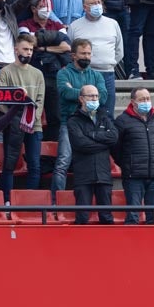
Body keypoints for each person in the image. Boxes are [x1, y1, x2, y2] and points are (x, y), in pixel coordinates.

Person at [0, 34, 45, 204]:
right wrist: (13, 118)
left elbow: (40, 100)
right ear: (16, 50)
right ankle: (7, 200)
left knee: (34, 164)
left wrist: (31, 120)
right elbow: (0, 101)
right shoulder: (6, 71)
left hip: (34, 125)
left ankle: (30, 202)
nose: (28, 52)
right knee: (10, 163)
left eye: (31, 50)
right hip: (13, 124)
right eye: (25, 49)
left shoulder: (38, 74)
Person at [53, 39, 106, 196]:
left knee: (90, 164)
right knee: (63, 162)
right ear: (73, 55)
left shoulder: (96, 75)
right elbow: (65, 92)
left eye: (89, 53)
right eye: (83, 53)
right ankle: (56, 202)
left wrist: (77, 93)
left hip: (91, 124)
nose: (87, 56)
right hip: (68, 123)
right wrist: (90, 94)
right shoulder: (63, 73)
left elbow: (103, 97)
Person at [113, 87, 154, 224]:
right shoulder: (122, 120)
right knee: (133, 216)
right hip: (133, 176)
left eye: (148, 98)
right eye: (142, 99)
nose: (146, 101)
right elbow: (115, 148)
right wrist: (127, 164)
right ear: (133, 102)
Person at [67, 83, 120, 225]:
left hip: (103, 175)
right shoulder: (73, 120)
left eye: (96, 96)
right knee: (82, 218)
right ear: (81, 99)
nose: (95, 98)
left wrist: (92, 135)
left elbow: (114, 137)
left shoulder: (104, 117)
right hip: (83, 176)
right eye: (91, 96)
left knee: (107, 218)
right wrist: (103, 144)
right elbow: (81, 144)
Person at [69, 0, 124, 104]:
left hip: (107, 73)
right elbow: (70, 50)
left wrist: (109, 64)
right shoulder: (74, 26)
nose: (97, 5)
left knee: (107, 111)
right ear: (84, 7)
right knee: (85, 109)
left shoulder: (113, 24)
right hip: (84, 73)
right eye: (93, 3)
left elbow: (119, 50)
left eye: (99, 2)